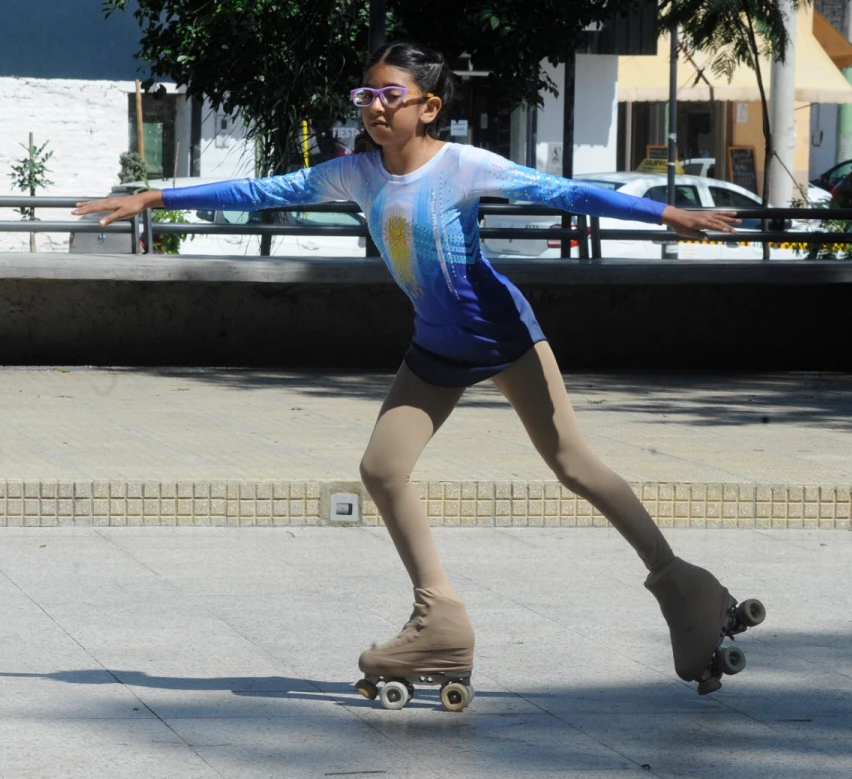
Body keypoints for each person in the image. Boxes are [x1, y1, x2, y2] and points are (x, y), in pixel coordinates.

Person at [73, 40, 763, 708]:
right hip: (435, 344)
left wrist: (667, 211)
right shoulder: (355, 173)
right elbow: (263, 188)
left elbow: (566, 192)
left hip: (502, 331)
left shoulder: (462, 167)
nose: (374, 107)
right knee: (381, 467)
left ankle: (683, 585)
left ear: (427, 107)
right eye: (365, 95)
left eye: (389, 95)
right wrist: (154, 199)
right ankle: (440, 621)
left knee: (574, 463)